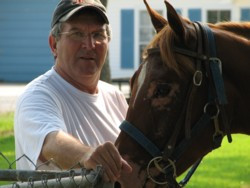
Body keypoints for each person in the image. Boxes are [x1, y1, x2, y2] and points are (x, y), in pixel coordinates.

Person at [14, 0, 132, 183]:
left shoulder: (115, 97)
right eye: (77, 34)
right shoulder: (38, 95)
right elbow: (50, 144)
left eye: (98, 34)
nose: (89, 44)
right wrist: (88, 156)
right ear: (54, 44)